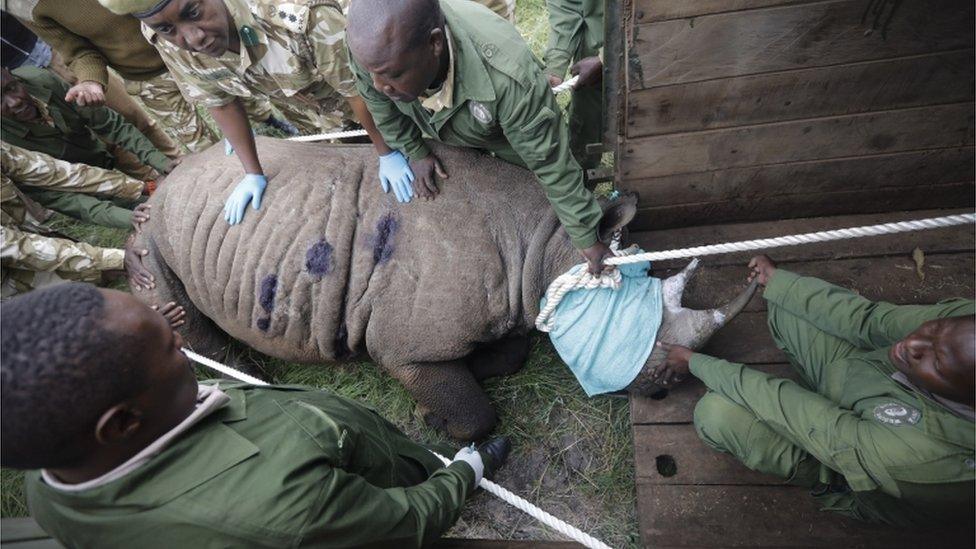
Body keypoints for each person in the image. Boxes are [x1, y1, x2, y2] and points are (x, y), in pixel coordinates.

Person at [1, 283, 511, 547]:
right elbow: (406, 522)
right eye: (171, 349)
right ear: (121, 423)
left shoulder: (53, 481)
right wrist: (465, 472)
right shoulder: (283, 513)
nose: (182, 340)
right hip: (393, 492)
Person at [655, 255, 975, 526]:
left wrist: (696, 363)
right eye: (933, 330)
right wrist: (780, 282)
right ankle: (822, 376)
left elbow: (806, 416)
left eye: (938, 363)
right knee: (787, 301)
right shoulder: (963, 327)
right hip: (865, 381)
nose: (913, 344)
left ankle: (819, 479)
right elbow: (872, 320)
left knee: (717, 414)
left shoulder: (925, 457)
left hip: (845, 458)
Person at [345, 0, 611, 274]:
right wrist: (414, 150)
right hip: (442, 121)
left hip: (501, 132)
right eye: (372, 73)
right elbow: (377, 102)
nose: (379, 84)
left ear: (435, 43)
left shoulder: (510, 82)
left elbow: (550, 164)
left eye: (392, 74)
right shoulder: (374, 50)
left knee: (537, 201)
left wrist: (586, 236)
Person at [98, 0, 416, 226]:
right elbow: (220, 101)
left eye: (193, 12)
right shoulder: (169, 40)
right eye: (168, 28)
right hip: (311, 105)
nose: (193, 38)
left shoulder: (297, 14)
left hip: (388, 89)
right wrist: (252, 172)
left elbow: (359, 90)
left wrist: (386, 151)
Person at [7, 0, 293, 153]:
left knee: (241, 99)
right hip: (146, 74)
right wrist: (91, 79)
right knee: (202, 145)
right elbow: (77, 50)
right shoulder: (25, 5)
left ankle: (272, 122)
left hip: (198, 47)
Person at [0, 142, 150, 296]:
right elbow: (20, 248)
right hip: (6, 281)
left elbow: (57, 172)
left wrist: (139, 188)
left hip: (23, 232)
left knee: (99, 272)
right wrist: (117, 258)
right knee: (79, 304)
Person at [0, 66, 177, 182]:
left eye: (11, 88)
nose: (14, 102)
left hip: (85, 142)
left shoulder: (42, 80)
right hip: (72, 173)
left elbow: (109, 125)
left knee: (160, 174)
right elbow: (60, 193)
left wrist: (161, 162)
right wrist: (131, 205)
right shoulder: (5, 142)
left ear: (11, 74)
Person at [544, 0, 604, 169]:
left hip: (659, 47)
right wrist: (556, 64)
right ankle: (582, 180)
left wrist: (605, 59)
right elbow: (567, 4)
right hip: (593, 46)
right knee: (586, 124)